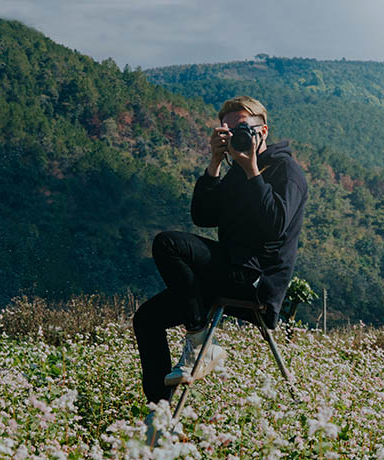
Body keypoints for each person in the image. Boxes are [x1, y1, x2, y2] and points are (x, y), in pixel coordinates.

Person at [132, 96, 308, 439]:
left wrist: (252, 169)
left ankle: (199, 340)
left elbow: (276, 225)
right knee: (147, 318)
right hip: (229, 271)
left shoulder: (286, 170)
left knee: (168, 243)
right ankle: (160, 414)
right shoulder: (233, 170)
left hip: (258, 279)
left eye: (243, 128)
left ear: (263, 130)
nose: (236, 137)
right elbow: (203, 216)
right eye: (228, 131)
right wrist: (214, 162)